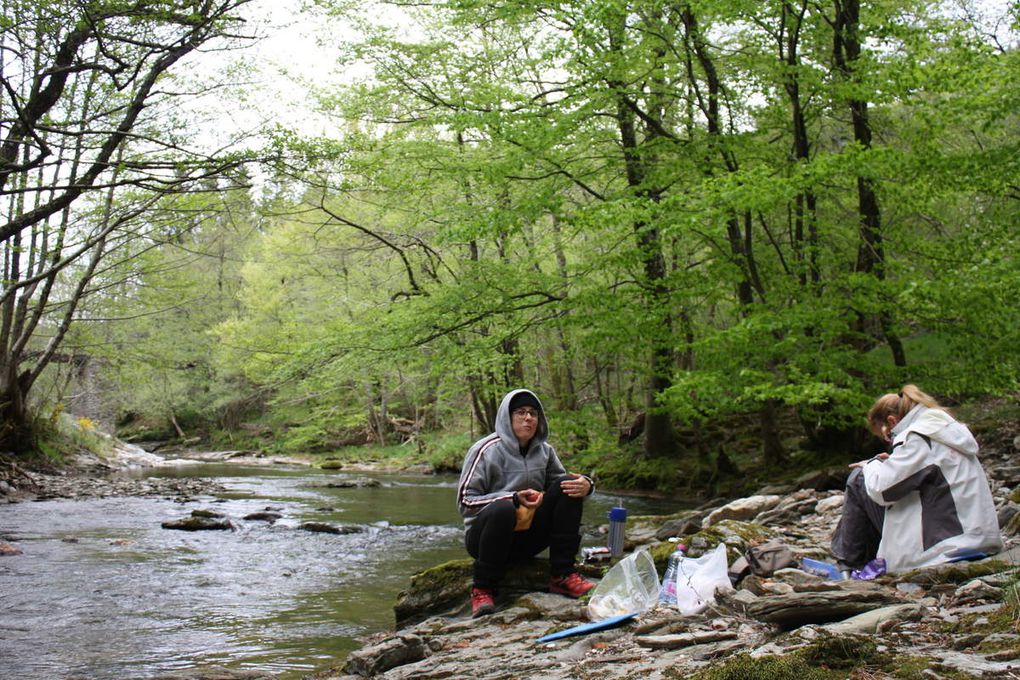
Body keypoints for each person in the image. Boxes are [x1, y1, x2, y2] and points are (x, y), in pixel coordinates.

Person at [831, 384, 1002, 574]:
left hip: (946, 546)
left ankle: (850, 566)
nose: (891, 444)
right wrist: (892, 462)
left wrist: (871, 464)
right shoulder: (942, 430)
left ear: (892, 421)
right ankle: (855, 562)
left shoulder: (919, 436)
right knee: (868, 478)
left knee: (858, 479)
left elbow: (881, 490)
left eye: (888, 437)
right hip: (975, 536)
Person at [457, 388, 596, 617]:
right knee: (504, 507)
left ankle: (562, 574)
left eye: (533, 413)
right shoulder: (485, 450)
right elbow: (465, 501)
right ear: (507, 417)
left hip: (528, 537)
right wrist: (511, 497)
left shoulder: (545, 451)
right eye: (521, 412)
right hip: (486, 540)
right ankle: (482, 588)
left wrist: (588, 485)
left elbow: (560, 487)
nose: (528, 418)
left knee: (569, 483)